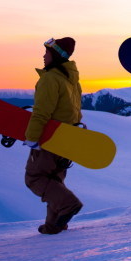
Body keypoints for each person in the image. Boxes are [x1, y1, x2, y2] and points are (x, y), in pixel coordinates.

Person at [23, 36, 84, 234]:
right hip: (67, 138)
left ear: (56, 55)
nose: (43, 56)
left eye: (47, 52)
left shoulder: (50, 79)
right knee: (54, 180)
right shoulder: (71, 78)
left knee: (35, 178)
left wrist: (32, 138)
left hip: (50, 137)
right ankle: (55, 223)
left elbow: (41, 112)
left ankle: (69, 205)